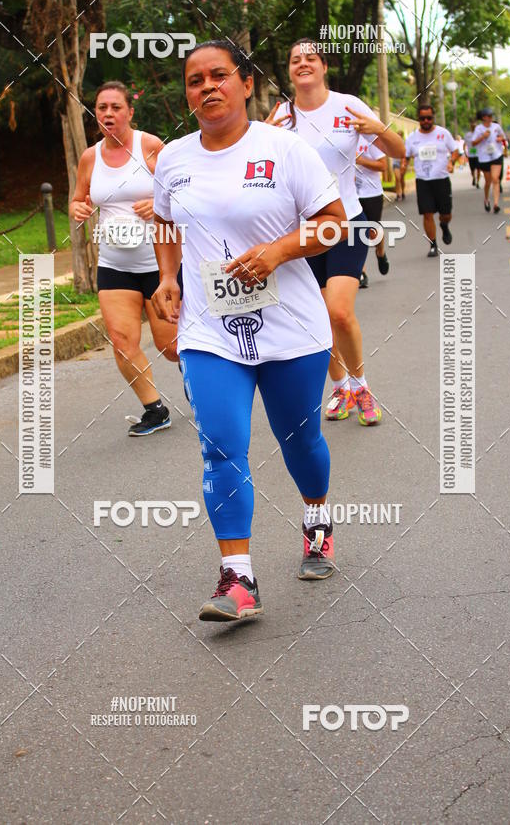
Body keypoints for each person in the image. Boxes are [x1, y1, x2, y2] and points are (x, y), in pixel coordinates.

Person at [151, 39, 349, 622]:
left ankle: (316, 516)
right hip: (210, 330)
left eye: (219, 75)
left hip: (290, 328)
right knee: (220, 445)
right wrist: (167, 277)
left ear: (244, 83)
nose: (207, 87)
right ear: (187, 95)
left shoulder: (285, 150)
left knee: (300, 441)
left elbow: (336, 227)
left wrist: (281, 251)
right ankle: (238, 579)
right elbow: (165, 223)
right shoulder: (174, 159)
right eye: (194, 80)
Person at [266, 39, 405, 424]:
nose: (303, 63)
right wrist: (261, 135)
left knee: (338, 311)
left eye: (310, 58)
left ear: (323, 66)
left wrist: (379, 128)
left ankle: (360, 384)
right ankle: (340, 387)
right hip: (303, 232)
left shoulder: (348, 106)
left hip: (347, 222)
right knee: (316, 315)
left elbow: (395, 151)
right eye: (295, 59)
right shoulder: (280, 115)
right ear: (290, 71)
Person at [70, 81, 178, 436]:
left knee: (171, 346)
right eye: (102, 108)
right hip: (115, 264)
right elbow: (77, 199)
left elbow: (181, 193)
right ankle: (155, 409)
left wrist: (159, 204)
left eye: (116, 107)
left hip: (158, 264)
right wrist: (80, 208)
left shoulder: (149, 146)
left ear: (129, 113)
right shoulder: (90, 157)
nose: (108, 113)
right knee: (121, 341)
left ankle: (200, 389)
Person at [401, 104, 460, 258]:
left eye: (429, 118)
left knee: (445, 213)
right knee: (427, 213)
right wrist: (403, 167)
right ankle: (433, 244)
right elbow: (406, 157)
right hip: (423, 180)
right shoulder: (412, 138)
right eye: (422, 118)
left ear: (433, 118)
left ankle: (444, 225)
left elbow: (455, 151)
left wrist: (451, 162)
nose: (426, 121)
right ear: (418, 119)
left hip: (441, 179)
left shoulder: (443, 133)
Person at [354, 137, 389, 290]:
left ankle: (380, 252)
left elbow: (383, 165)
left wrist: (361, 160)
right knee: (357, 234)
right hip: (350, 195)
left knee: (373, 232)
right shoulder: (337, 139)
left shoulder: (369, 140)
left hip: (371, 193)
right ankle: (361, 273)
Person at [472, 107, 507, 213]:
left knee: (495, 179)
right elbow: (473, 143)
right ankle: (486, 199)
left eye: (492, 116)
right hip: (484, 157)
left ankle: (496, 204)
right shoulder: (479, 129)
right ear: (484, 118)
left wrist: (499, 139)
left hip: (496, 155)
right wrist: (483, 137)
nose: (491, 118)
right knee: (488, 181)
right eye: (489, 116)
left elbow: (503, 137)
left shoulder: (496, 127)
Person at [464, 121, 480, 188]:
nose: (473, 128)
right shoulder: (467, 135)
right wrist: (465, 152)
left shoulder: (479, 134)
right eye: (472, 127)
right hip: (471, 154)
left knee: (479, 169)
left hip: (478, 154)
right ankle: (474, 178)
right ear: (471, 128)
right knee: (472, 169)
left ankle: (478, 182)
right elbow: (464, 144)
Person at [393, 130, 406, 199]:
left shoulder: (404, 143)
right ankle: (398, 194)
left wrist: (403, 164)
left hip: (402, 162)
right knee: (397, 178)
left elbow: (405, 155)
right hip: (395, 162)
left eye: (400, 135)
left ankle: (403, 192)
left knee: (401, 179)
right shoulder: (393, 143)